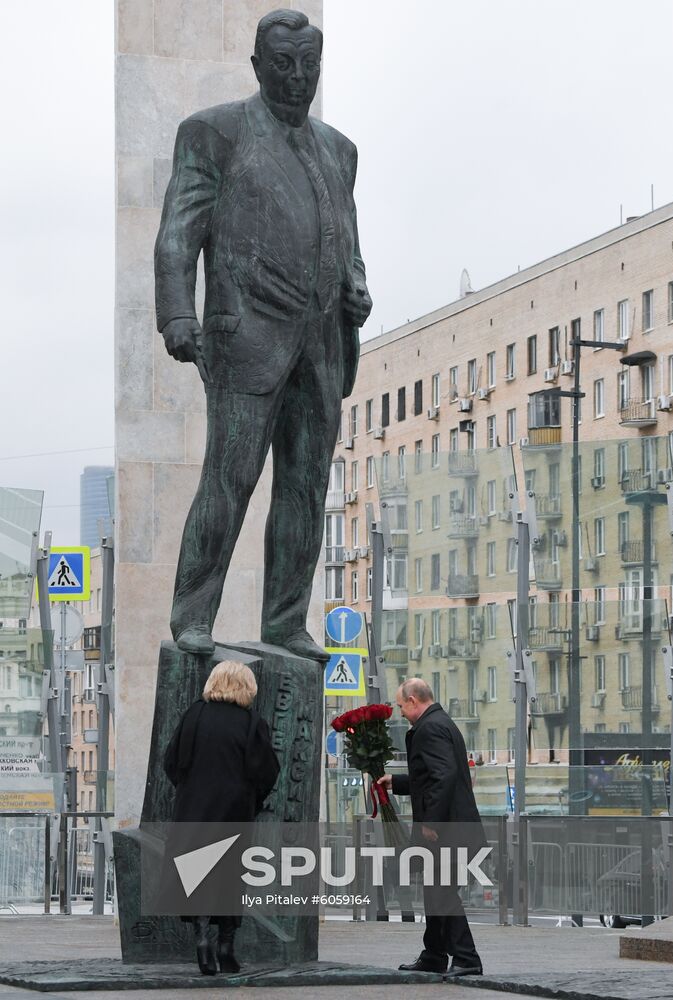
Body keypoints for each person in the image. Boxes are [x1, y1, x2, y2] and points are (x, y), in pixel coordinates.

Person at [154, 8, 372, 662]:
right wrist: (176, 314)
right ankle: (192, 617)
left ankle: (285, 623)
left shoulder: (339, 150)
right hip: (245, 337)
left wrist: (356, 285)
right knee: (229, 479)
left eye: (309, 63)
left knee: (305, 488)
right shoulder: (212, 133)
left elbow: (345, 237)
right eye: (284, 64)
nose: (299, 76)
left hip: (322, 343)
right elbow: (176, 235)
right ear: (257, 65)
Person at [163, 660, 280, 975]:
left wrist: (187, 790)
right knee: (230, 877)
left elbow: (171, 761)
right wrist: (253, 799)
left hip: (194, 810)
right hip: (234, 809)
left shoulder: (194, 715)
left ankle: (202, 941)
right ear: (248, 688)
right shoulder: (251, 722)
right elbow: (267, 771)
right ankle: (227, 947)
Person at [377, 678, 485, 978]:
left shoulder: (430, 728)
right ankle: (435, 954)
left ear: (413, 700)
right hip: (454, 829)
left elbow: (444, 776)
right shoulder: (438, 723)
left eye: (401, 706)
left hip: (448, 830)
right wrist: (396, 782)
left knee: (441, 893)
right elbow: (432, 775)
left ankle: (466, 958)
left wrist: (430, 822)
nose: (400, 712)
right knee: (435, 892)